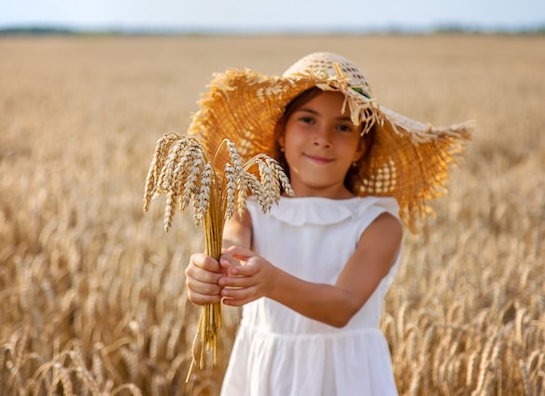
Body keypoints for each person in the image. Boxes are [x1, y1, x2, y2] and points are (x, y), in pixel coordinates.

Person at [184, 52, 472, 396]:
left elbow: (342, 306)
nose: (324, 137)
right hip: (266, 374)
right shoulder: (248, 209)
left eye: (343, 127)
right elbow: (232, 246)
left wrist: (271, 281)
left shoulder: (377, 223)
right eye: (308, 120)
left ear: (360, 148)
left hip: (347, 379)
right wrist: (209, 272)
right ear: (281, 133)